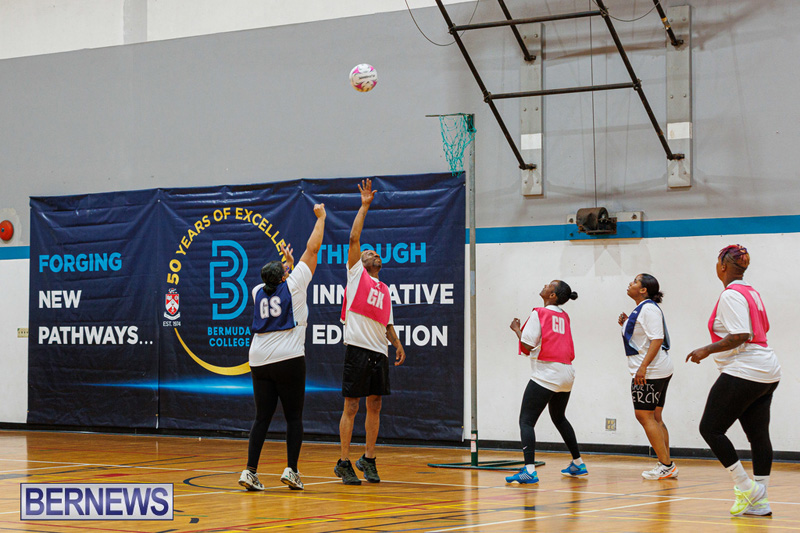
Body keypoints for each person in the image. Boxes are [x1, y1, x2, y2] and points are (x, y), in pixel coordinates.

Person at [686, 244, 781, 517]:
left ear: (723, 266)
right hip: (767, 369)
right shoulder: (752, 292)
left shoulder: (731, 294)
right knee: (758, 435)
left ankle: (746, 487)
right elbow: (761, 329)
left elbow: (740, 335)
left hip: (746, 369)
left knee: (710, 429)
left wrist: (706, 350)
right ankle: (760, 502)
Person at [238, 203, 326, 492]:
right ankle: (292, 470)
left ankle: (250, 471)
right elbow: (312, 249)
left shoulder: (256, 291)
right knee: (294, 417)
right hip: (288, 358)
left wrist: (285, 265)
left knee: (261, 417)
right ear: (285, 276)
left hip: (259, 360)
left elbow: (275, 279)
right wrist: (321, 218)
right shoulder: (295, 285)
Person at [335, 179, 406, 485]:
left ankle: (369, 458)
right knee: (352, 405)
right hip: (357, 348)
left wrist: (397, 343)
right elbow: (354, 237)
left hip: (379, 351)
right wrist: (364, 206)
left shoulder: (385, 289)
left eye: (376, 253)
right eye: (368, 253)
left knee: (375, 404)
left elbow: (387, 323)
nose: (373, 254)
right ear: (360, 262)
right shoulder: (355, 275)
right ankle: (343, 461)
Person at [506, 280, 586, 484]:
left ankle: (529, 471)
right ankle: (578, 463)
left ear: (553, 295)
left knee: (526, 421)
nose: (545, 285)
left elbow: (527, 344)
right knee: (559, 417)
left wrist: (517, 330)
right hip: (567, 372)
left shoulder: (539, 313)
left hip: (547, 372)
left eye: (550, 285)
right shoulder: (564, 315)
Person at [619, 274, 677, 480]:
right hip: (657, 370)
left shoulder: (648, 309)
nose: (630, 283)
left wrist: (643, 367)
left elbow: (657, 339)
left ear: (644, 289)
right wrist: (627, 323)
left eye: (635, 281)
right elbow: (643, 336)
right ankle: (666, 463)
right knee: (655, 417)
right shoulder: (643, 309)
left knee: (644, 416)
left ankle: (666, 465)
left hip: (650, 372)